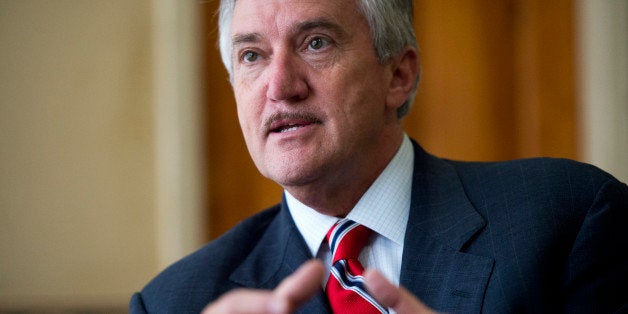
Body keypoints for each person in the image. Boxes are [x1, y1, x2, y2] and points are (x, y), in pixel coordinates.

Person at [130, 0, 628, 313]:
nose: (280, 86)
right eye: (252, 56)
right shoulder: (177, 302)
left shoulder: (568, 217)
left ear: (398, 75)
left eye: (316, 42)